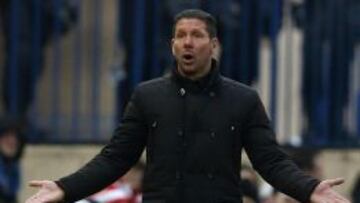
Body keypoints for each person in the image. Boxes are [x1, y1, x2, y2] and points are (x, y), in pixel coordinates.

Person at [25, 9, 349, 203]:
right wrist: (64, 189)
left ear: (214, 44)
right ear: (172, 45)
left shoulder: (243, 100)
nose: (188, 42)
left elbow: (271, 162)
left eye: (196, 35)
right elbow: (114, 160)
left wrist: (311, 190)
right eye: (180, 36)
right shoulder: (147, 96)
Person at [0, 118, 25, 203]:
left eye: (15, 137)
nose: (12, 141)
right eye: (6, 136)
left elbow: (11, 194)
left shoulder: (13, 164)